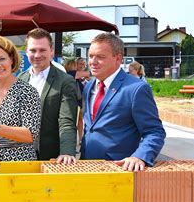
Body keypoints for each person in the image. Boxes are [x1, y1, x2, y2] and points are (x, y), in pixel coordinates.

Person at [81, 32, 165, 171]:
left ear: (118, 58)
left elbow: (155, 131)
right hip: (87, 167)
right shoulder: (89, 86)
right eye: (90, 56)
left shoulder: (136, 89)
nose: (93, 62)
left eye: (100, 57)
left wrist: (140, 156)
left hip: (119, 171)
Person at [18, 28, 78, 164]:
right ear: (27, 51)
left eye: (42, 50)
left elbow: (67, 121)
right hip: (21, 155)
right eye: (33, 50)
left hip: (50, 156)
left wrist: (67, 152)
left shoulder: (65, 81)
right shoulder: (20, 79)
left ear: (51, 51)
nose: (37, 55)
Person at [64, 58, 91, 143]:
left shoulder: (77, 77)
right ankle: (74, 141)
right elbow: (88, 73)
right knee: (74, 122)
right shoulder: (71, 74)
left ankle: (79, 139)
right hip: (74, 102)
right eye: (77, 64)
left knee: (79, 121)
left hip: (77, 102)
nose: (80, 66)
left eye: (83, 64)